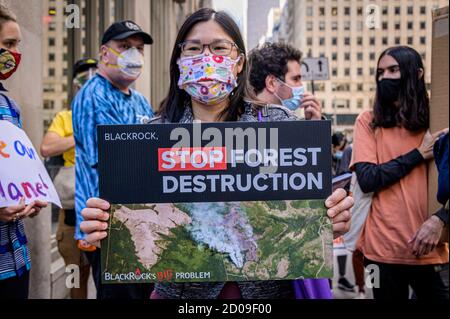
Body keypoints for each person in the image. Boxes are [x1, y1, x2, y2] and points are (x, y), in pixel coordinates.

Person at [80, 8, 353, 299]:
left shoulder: (281, 125)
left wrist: (332, 215)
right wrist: (104, 224)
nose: (206, 58)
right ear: (179, 61)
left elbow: (312, 208)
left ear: (239, 63)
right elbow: (136, 226)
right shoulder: (150, 136)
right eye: (194, 48)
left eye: (220, 47)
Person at [350, 46, 449, 299]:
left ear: (416, 74)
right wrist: (418, 154)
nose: (385, 77)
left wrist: (441, 219)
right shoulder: (368, 121)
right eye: (380, 72)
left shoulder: (437, 122)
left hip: (434, 249)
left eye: (393, 70)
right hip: (379, 253)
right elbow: (368, 178)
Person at [72, 20, 155, 299]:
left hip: (141, 225)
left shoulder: (141, 101)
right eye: (124, 47)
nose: (134, 54)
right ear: (105, 53)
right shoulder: (94, 95)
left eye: (138, 48)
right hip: (109, 228)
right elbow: (111, 162)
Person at [248, 42, 331, 299]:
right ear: (272, 83)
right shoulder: (240, 124)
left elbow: (314, 188)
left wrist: (314, 130)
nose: (301, 87)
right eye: (295, 79)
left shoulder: (296, 123)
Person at [40, 58, 98, 299]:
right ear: (75, 82)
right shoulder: (66, 117)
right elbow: (47, 147)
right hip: (72, 212)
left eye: (94, 73)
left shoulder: (112, 109)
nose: (89, 78)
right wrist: (82, 133)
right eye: (83, 75)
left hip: (105, 211)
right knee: (76, 275)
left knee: (110, 279)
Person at [0, 4, 47, 299]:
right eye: (8, 44)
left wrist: (26, 196)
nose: (16, 53)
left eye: (17, 44)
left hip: (16, 260)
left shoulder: (9, 104)